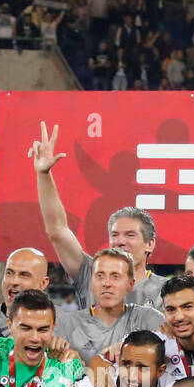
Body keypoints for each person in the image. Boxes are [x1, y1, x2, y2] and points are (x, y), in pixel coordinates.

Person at [32, 122, 168, 309]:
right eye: (114, 235)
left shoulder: (167, 291)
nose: (120, 241)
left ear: (149, 244)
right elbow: (57, 230)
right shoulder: (90, 272)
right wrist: (44, 174)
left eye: (130, 235)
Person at [56, 247, 163, 365]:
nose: (106, 283)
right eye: (100, 276)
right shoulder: (66, 325)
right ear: (91, 282)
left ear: (130, 284)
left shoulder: (149, 319)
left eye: (115, 276)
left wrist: (132, 350)